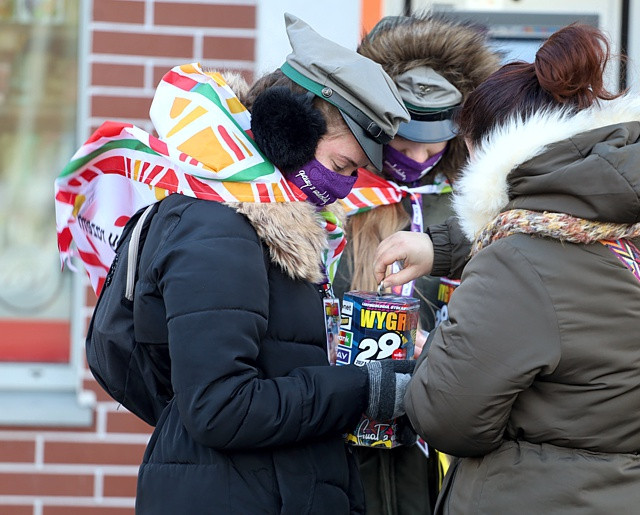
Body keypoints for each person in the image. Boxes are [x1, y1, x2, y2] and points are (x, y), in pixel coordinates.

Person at [57, 14, 416, 514]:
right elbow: (221, 408)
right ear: (285, 132)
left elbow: (273, 362)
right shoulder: (219, 231)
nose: (346, 187)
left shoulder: (262, 226)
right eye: (341, 166)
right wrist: (366, 388)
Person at [384, 23, 640, 514]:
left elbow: (447, 418)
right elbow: (575, 258)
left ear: (492, 155)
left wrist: (437, 349)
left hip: (545, 495)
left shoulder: (517, 263)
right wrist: (443, 247)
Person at [330, 14, 500, 515]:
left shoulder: (471, 206)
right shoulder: (337, 197)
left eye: (435, 145)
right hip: (343, 426)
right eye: (405, 144)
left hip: (435, 432)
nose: (420, 158)